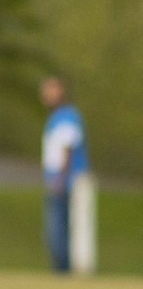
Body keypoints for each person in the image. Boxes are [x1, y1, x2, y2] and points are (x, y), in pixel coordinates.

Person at [39, 75, 88, 272]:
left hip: (65, 182)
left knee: (59, 230)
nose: (46, 95)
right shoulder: (57, 117)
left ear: (61, 92)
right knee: (56, 230)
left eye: (51, 90)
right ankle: (61, 270)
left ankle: (63, 272)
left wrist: (59, 179)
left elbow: (67, 149)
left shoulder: (67, 116)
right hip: (58, 180)